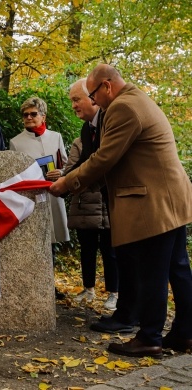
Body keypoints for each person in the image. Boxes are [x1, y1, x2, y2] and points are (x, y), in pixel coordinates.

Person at [49, 64, 192, 358]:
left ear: (106, 86)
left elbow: (105, 158)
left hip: (153, 202)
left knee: (151, 272)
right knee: (178, 269)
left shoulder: (123, 107)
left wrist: (67, 182)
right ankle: (185, 333)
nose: (94, 101)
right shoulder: (139, 98)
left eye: (92, 94)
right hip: (171, 198)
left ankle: (150, 337)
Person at [66, 79, 118, 310]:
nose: (74, 105)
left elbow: (102, 162)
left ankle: (115, 294)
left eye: (77, 99)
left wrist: (68, 182)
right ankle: (89, 289)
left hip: (110, 204)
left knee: (111, 251)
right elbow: (76, 166)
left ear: (94, 98)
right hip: (86, 204)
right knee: (87, 249)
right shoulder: (85, 130)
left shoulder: (112, 120)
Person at [9, 97, 70, 299]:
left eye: (33, 114)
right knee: (35, 240)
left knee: (52, 240)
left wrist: (61, 172)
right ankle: (34, 285)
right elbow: (14, 174)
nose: (28, 117)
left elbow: (66, 163)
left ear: (43, 116)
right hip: (32, 197)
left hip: (53, 194)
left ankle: (50, 285)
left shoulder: (56, 137)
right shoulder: (16, 142)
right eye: (25, 114)